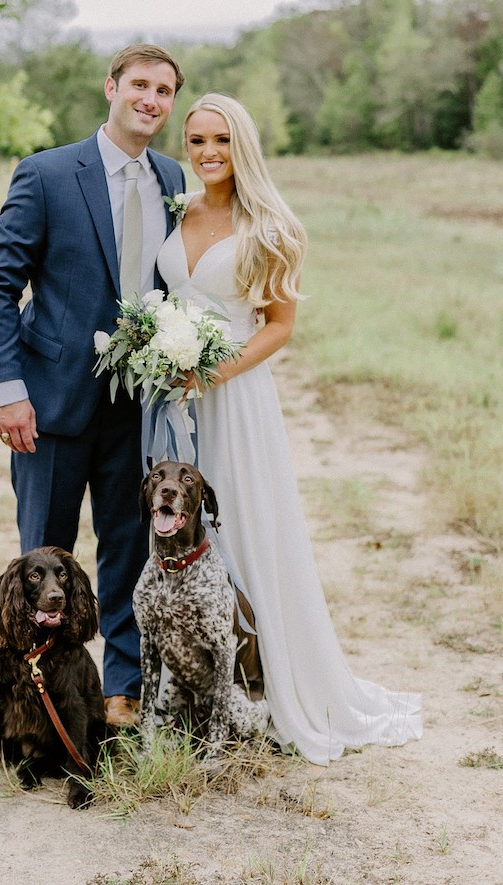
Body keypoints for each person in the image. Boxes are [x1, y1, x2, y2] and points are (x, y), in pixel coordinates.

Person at [156, 91, 423, 764]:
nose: (208, 152)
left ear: (242, 144)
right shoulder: (177, 210)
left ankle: (274, 684)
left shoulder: (272, 226)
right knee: (181, 539)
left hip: (236, 401)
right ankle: (196, 689)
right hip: (171, 404)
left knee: (246, 530)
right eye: (196, 142)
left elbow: (279, 327)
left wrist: (211, 374)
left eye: (221, 140)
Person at [0, 44, 186, 728]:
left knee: (129, 550)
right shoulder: (46, 174)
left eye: (164, 90)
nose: (150, 99)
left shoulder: (172, 178)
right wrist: (8, 387)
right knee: (41, 561)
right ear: (112, 87)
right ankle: (25, 700)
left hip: (137, 410)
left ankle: (118, 692)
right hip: (50, 406)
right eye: (139, 85)